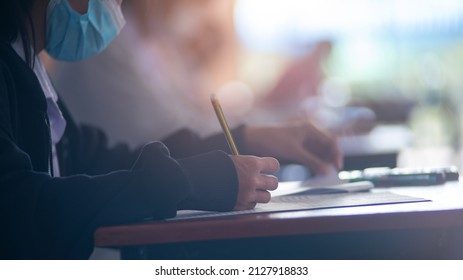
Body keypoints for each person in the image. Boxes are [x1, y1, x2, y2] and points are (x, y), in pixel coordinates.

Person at [0, 0, 341, 259]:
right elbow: (20, 209)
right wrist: (191, 182)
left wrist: (247, 137)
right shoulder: (16, 69)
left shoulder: (29, 70)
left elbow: (104, 161)